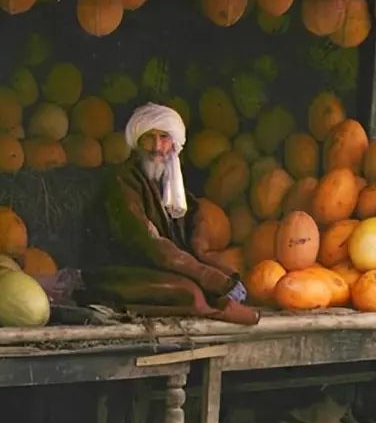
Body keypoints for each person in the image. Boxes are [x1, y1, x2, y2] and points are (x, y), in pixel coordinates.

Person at [80, 103, 257, 324]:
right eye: (149, 137)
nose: (156, 147)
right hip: (123, 269)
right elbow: (149, 243)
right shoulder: (122, 180)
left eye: (164, 137)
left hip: (163, 265)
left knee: (220, 278)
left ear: (174, 143)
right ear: (137, 142)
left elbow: (193, 215)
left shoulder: (170, 180)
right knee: (189, 292)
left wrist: (205, 260)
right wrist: (206, 275)